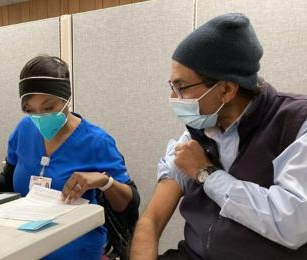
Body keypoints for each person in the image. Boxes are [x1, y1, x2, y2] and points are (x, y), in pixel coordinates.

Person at [130, 13, 307, 260]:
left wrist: (207, 174)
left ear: (226, 90)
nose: (174, 98)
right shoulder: (197, 133)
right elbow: (152, 219)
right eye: (171, 87)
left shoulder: (295, 124)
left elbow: (294, 223)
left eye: (181, 88)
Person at [0, 55, 140, 260]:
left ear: (67, 99)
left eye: (48, 107)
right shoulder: (24, 130)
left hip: (74, 250)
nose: (39, 116)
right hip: (22, 246)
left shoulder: (96, 141)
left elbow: (129, 204)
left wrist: (104, 181)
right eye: (30, 110)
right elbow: (7, 179)